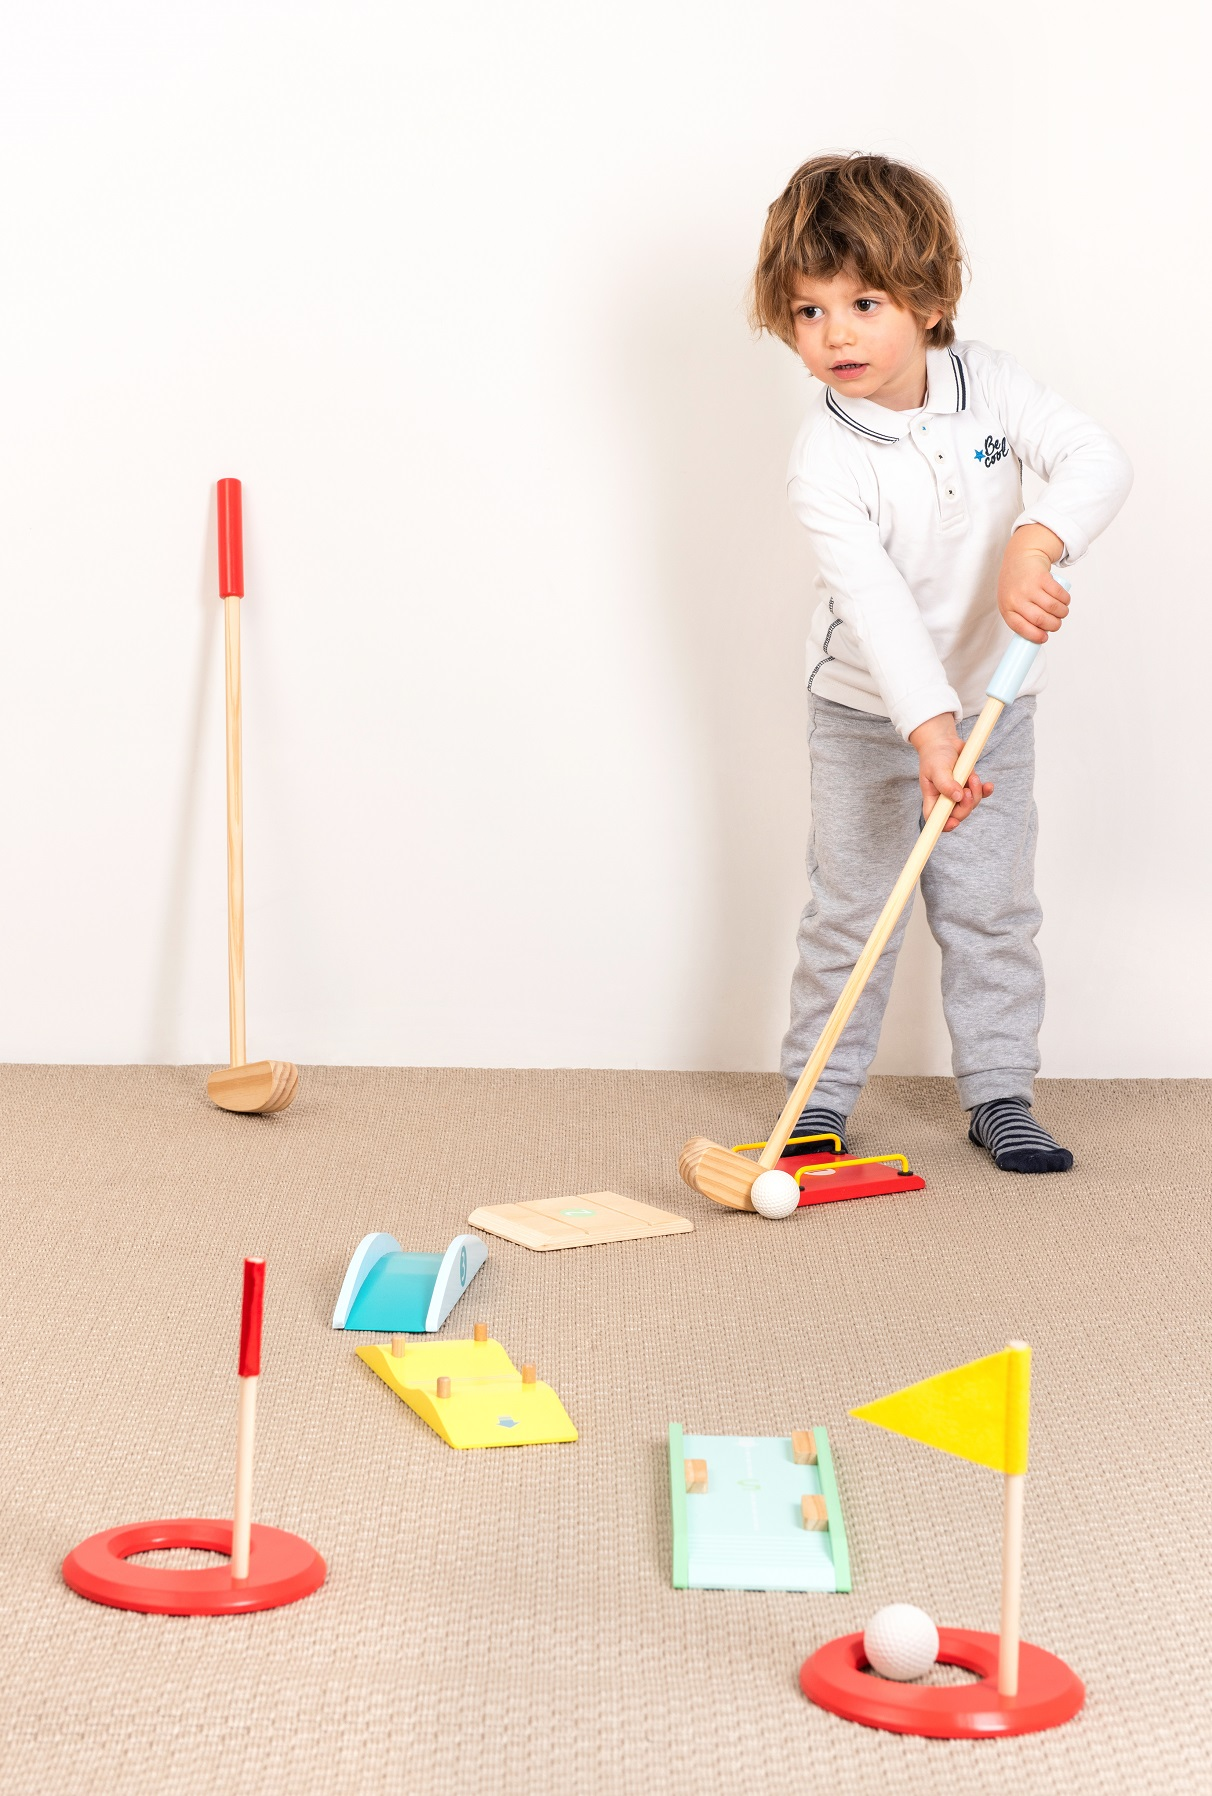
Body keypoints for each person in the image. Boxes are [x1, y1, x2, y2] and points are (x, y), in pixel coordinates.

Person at [750, 153, 1132, 1172]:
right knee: (854, 908)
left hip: (996, 708)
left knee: (991, 903)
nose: (835, 334)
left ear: (928, 299)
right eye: (807, 311)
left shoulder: (994, 388)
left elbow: (1097, 458)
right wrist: (927, 731)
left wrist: (1036, 539)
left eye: (863, 301)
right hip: (868, 715)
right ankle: (819, 1098)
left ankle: (1001, 1089)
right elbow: (874, 608)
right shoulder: (824, 459)